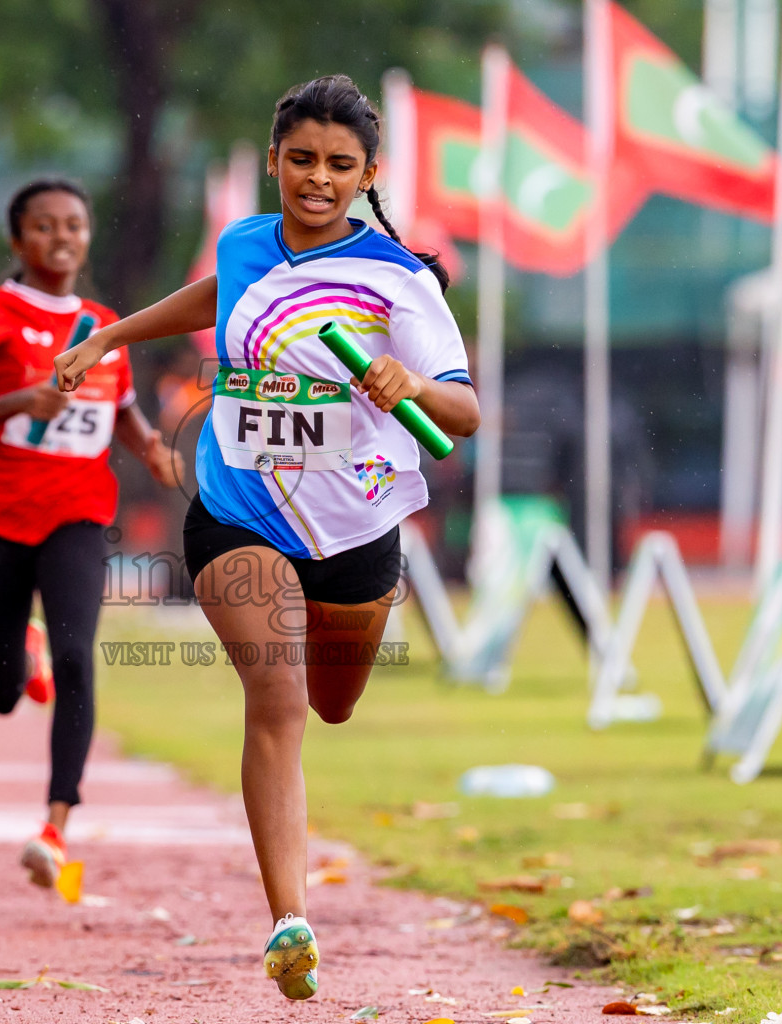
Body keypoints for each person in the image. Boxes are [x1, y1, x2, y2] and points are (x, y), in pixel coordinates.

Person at [54, 75, 480, 1001]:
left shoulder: (399, 281)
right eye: (299, 160)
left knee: (330, 701)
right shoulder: (249, 241)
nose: (315, 179)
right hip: (236, 508)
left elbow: (467, 408)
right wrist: (109, 335)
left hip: (356, 526)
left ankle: (293, 891)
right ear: (276, 157)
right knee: (277, 692)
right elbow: (214, 293)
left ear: (369, 172)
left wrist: (410, 387)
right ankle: (290, 919)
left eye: (337, 165)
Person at [0, 178, 183, 891]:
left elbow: (125, 410)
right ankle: (23, 647)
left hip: (78, 510)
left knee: (80, 657)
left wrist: (150, 449)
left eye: (74, 225)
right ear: (18, 240)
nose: (62, 238)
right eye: (44, 227)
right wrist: (27, 399)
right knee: (3, 691)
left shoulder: (105, 324)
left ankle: (55, 825)